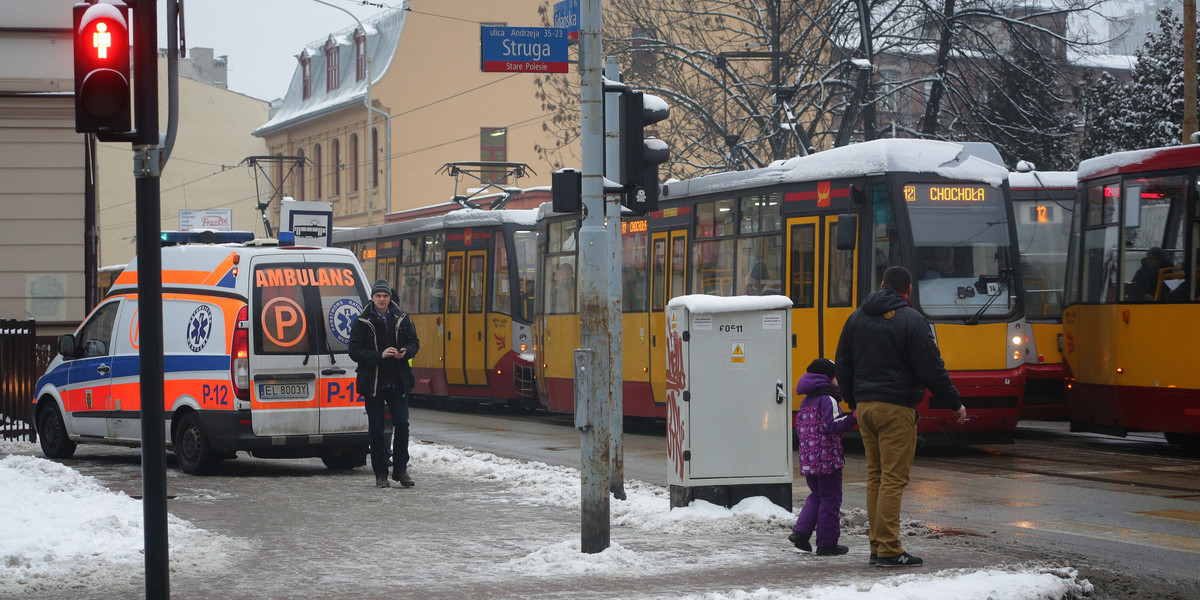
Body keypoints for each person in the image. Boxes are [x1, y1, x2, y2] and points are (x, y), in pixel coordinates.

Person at [834, 266, 967, 567]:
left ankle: (877, 546)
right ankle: (889, 549)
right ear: (907, 291)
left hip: (865, 408)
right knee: (893, 480)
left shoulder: (855, 318)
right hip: (896, 409)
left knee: (876, 478)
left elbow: (842, 362)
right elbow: (930, 368)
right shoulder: (913, 320)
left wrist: (855, 402)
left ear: (881, 285)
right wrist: (954, 403)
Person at [349, 278, 421, 489]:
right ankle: (381, 474)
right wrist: (379, 355)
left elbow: (414, 342)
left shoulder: (402, 318)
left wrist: (406, 351)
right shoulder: (362, 321)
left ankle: (401, 470)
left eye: (385, 296)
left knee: (402, 425)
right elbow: (354, 351)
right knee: (377, 430)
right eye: (378, 296)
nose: (382, 299)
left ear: (390, 298)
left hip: (398, 381)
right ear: (372, 298)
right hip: (373, 384)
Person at [788, 358, 857, 556]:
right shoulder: (827, 400)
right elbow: (834, 426)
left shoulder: (806, 400)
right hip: (827, 458)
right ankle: (827, 544)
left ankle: (801, 533)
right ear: (829, 378)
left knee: (817, 495)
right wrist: (853, 417)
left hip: (809, 458)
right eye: (836, 378)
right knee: (831, 499)